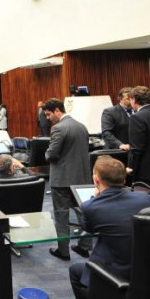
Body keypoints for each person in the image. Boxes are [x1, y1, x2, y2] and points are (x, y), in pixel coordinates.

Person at [58, 156, 150, 299]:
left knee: (76, 271)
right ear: (124, 179)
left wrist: (95, 198)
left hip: (120, 277)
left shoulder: (91, 206)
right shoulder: (145, 198)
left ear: (96, 180)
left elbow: (89, 229)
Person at [43, 98, 94, 260]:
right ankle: (85, 247)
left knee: (61, 216)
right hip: (82, 179)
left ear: (58, 111)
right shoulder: (82, 126)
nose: (48, 118)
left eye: (49, 114)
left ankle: (63, 251)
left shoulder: (58, 128)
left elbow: (51, 154)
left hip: (62, 180)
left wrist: (46, 153)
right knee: (84, 213)